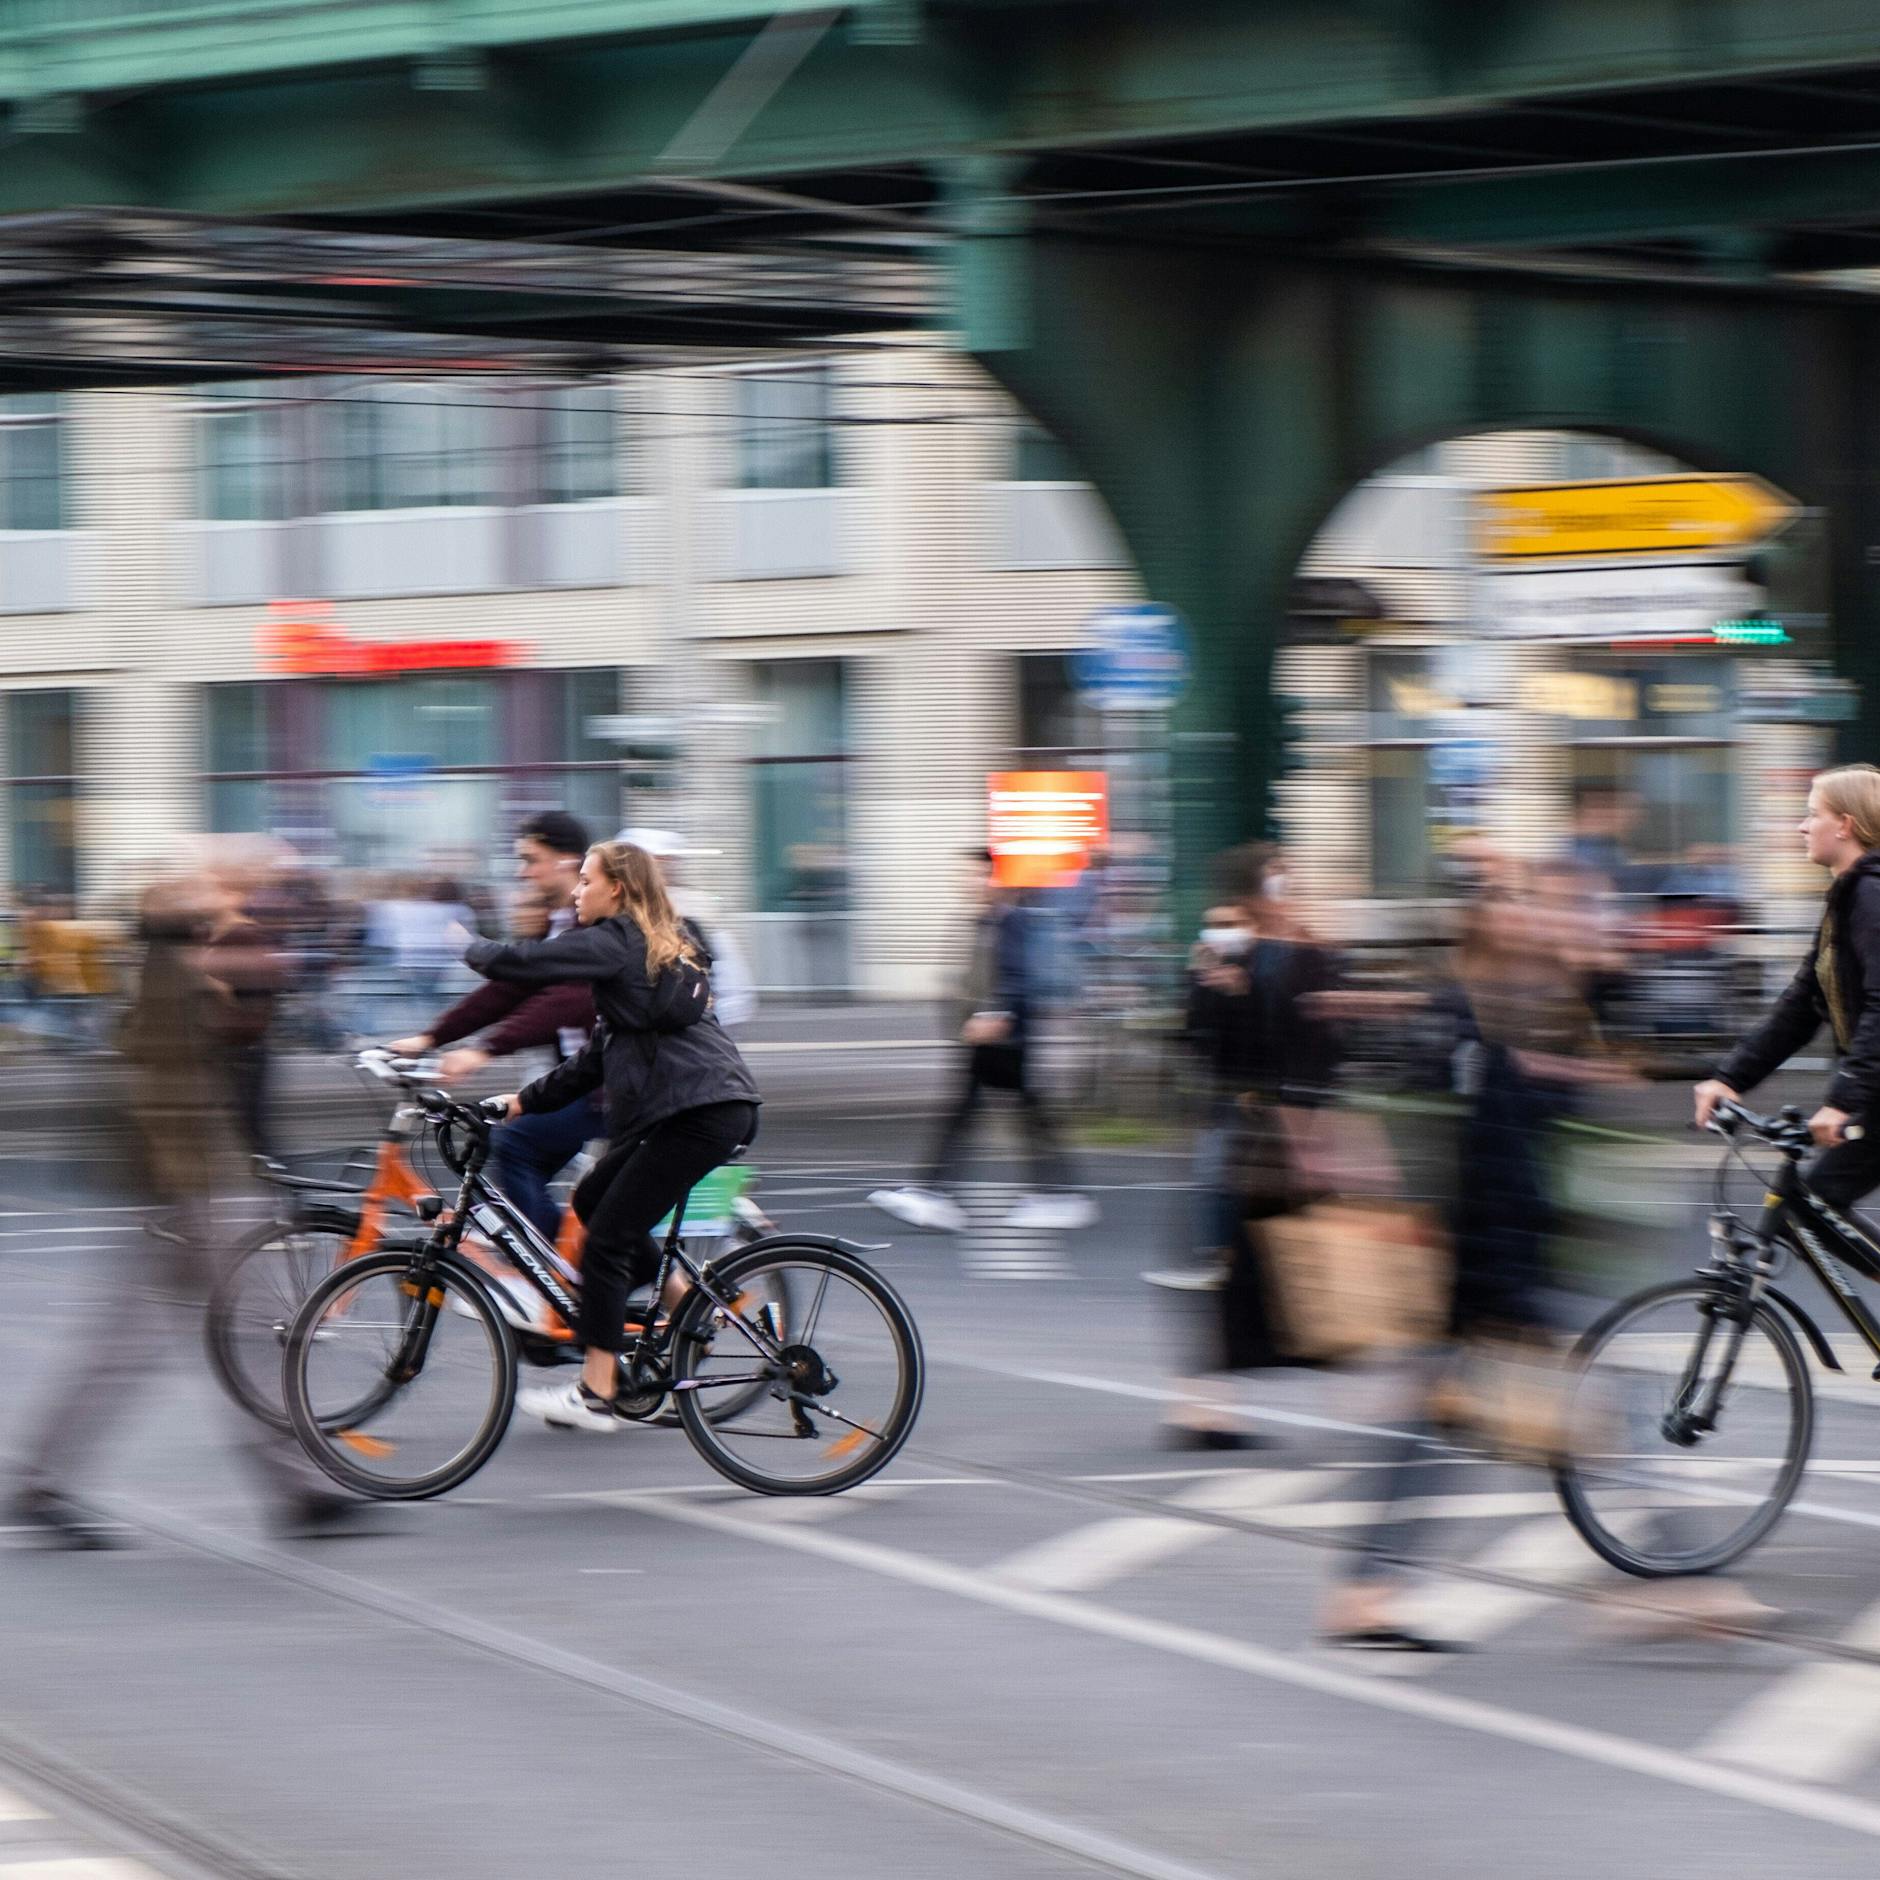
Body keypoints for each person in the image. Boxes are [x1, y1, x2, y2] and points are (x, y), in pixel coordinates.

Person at [12, 867, 349, 1545]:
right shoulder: (171, 984)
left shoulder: (167, 978)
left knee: (175, 1345)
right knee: (236, 1340)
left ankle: (296, 1487)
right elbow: (169, 1099)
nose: (216, 912)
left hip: (193, 1193)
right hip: (197, 1197)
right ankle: (296, 1488)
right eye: (204, 909)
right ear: (181, 924)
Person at [469, 840, 761, 1433]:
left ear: (616, 889)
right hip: (703, 1109)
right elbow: (594, 1062)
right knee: (594, 1201)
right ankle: (687, 1313)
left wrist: (465, 945)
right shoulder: (644, 955)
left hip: (696, 1114)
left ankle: (597, 1391)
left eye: (584, 880)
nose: (576, 891)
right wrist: (520, 1102)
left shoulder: (617, 940)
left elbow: (527, 963)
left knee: (605, 1239)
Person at [389, 809, 600, 1247]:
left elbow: (566, 998)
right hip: (580, 1080)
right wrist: (432, 1037)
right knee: (524, 1166)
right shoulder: (559, 923)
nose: (524, 872)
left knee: (516, 1148)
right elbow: (511, 989)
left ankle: (577, 1276)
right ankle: (572, 1270)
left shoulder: (590, 926)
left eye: (531, 859)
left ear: (567, 860)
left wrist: (483, 1050)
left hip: (612, 1085)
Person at [870, 850, 1095, 1234]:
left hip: (1003, 1038)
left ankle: (944, 1193)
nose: (967, 882)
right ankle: (1054, 1195)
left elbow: (1018, 975)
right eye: (965, 875)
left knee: (992, 1114)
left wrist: (997, 1018)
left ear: (995, 879)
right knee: (994, 1113)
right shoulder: (987, 921)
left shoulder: (1011, 921)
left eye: (976, 875)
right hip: (990, 1037)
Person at [1696, 764, 1880, 1203]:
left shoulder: (1870, 897)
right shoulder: (1847, 897)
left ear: (1845, 826)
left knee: (1810, 1205)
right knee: (1812, 1207)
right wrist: (1730, 1078)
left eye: (1813, 814)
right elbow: (1801, 1006)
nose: (1802, 826)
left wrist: (1840, 1101)